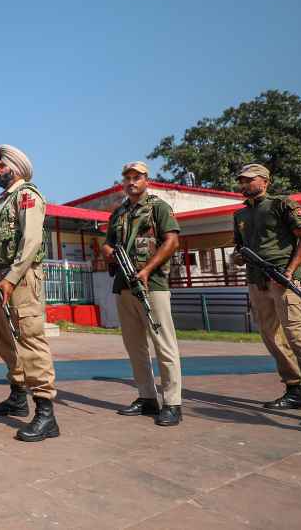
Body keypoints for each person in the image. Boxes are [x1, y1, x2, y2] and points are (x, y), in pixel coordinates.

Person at [232, 163, 301, 427]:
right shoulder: (240, 215)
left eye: (249, 180)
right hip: (256, 283)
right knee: (271, 337)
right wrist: (237, 258)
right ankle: (294, 390)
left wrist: (290, 271)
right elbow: (239, 249)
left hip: (282, 280)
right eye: (241, 181)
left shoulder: (283, 204)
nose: (243, 184)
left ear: (265, 181)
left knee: (297, 336)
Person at [0, 144, 59, 442]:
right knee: (7, 341)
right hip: (1, 280)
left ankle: (46, 415)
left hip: (19, 280)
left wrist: (9, 279)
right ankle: (18, 397)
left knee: (31, 340)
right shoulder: (4, 201)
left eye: (1, 166)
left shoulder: (27, 196)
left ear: (16, 169)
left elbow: (31, 241)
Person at [102, 161, 183, 426]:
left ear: (147, 180)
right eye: (127, 178)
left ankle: (172, 403)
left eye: (136, 177)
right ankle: (147, 397)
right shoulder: (119, 212)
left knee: (163, 344)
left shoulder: (158, 208)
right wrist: (107, 252)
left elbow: (171, 241)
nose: (131, 182)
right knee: (135, 346)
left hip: (153, 285)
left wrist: (147, 270)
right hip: (123, 285)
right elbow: (108, 244)